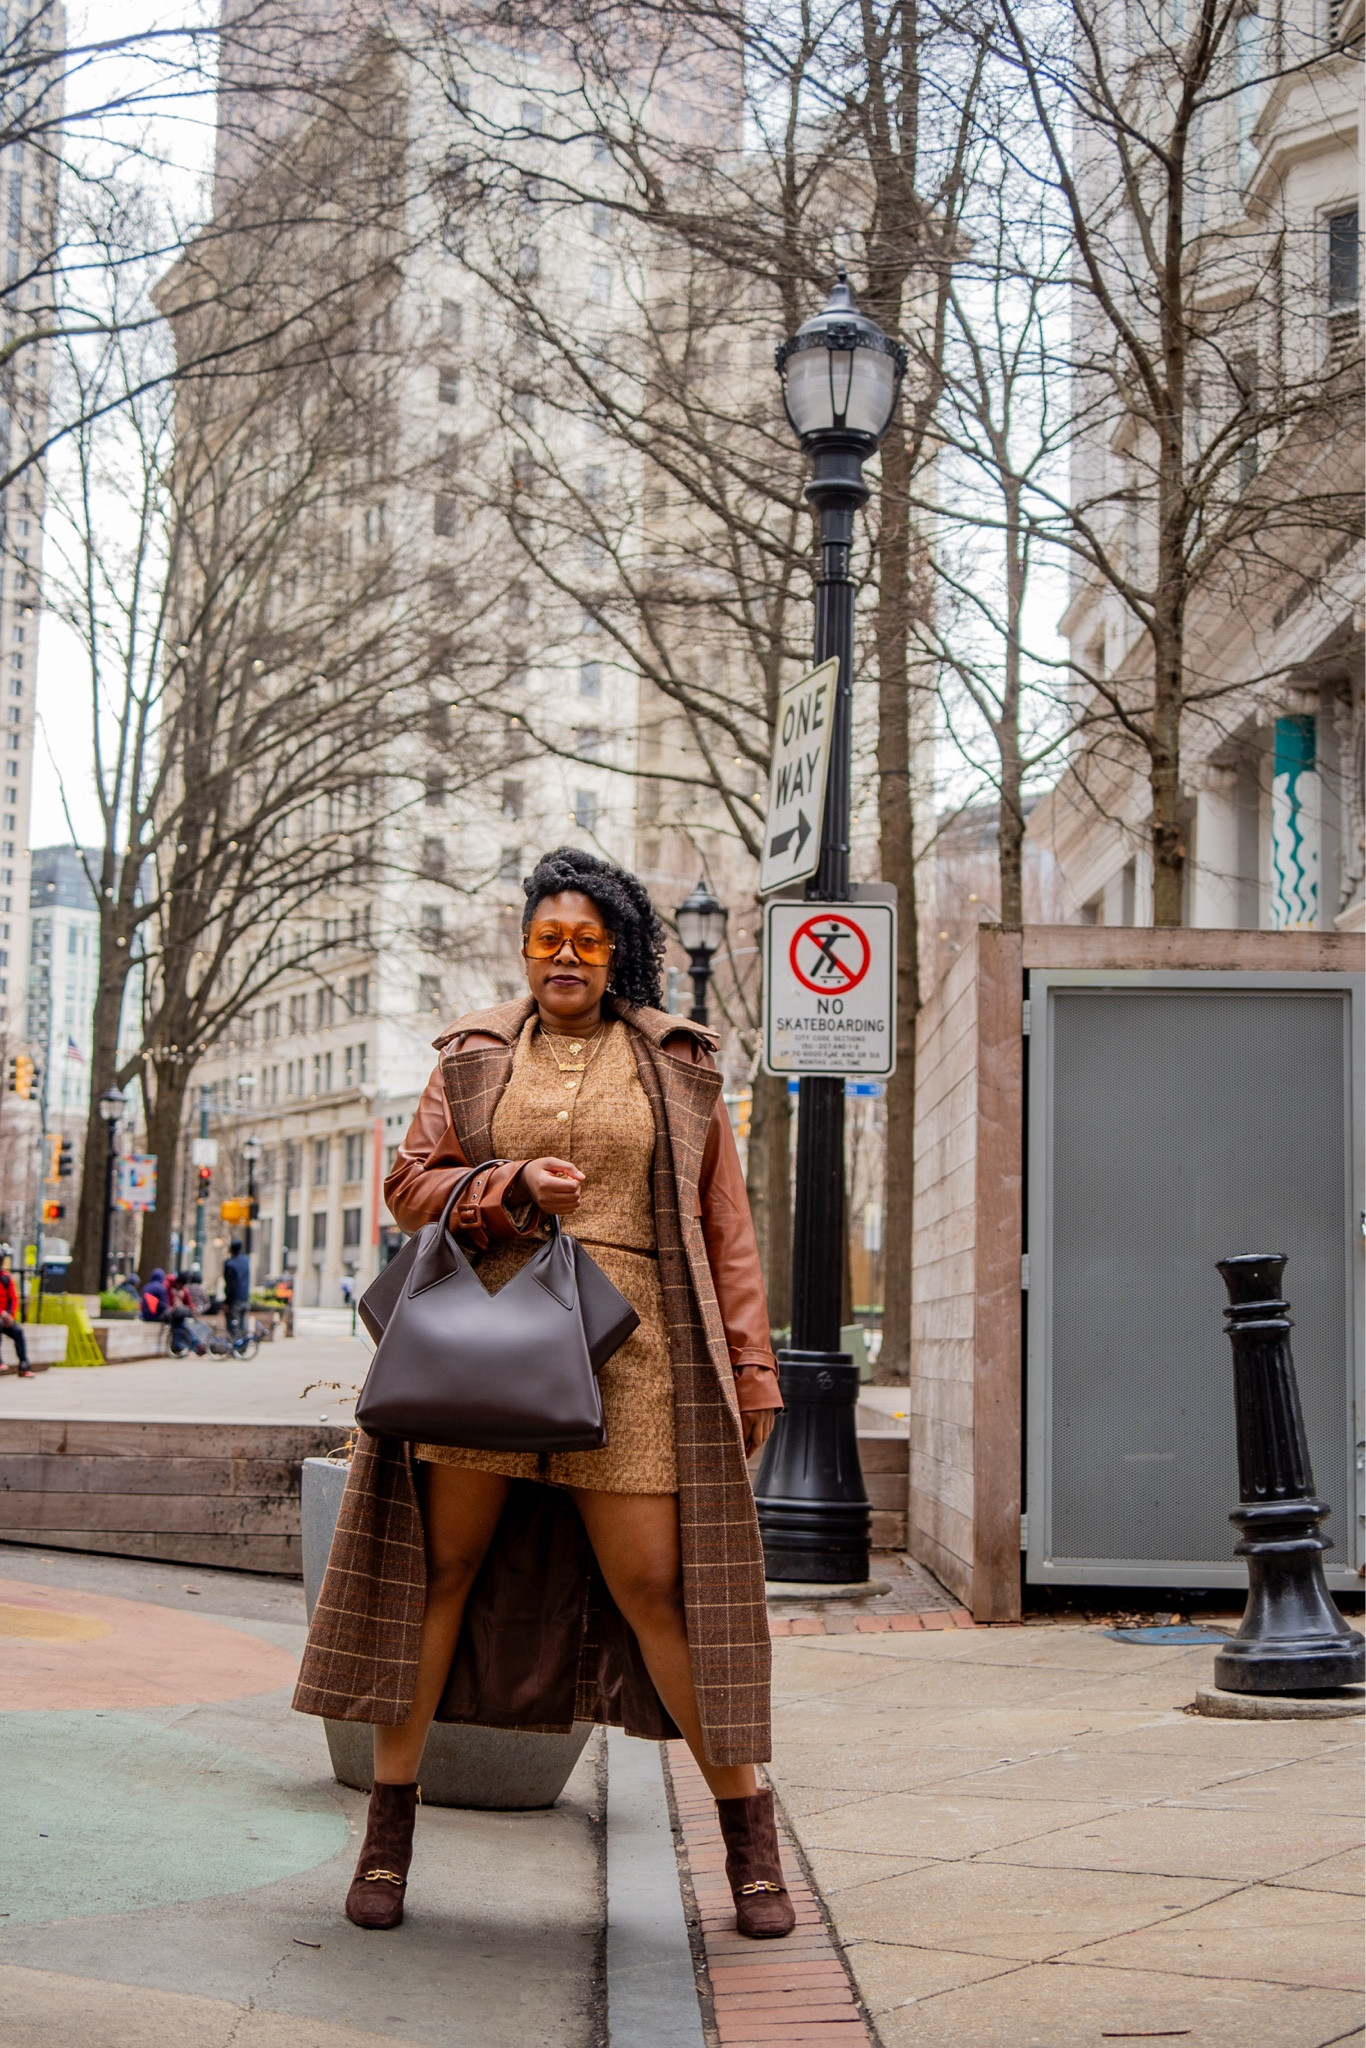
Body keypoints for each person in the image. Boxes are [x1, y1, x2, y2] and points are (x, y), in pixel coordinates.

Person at [296, 848, 793, 1941]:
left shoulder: (675, 1059)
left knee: (660, 1588)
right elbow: (410, 1184)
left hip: (640, 1352)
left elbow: (727, 1225)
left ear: (618, 950)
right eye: (544, 939)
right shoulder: (474, 1056)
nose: (562, 956)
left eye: (585, 939)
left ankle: (748, 1837)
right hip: (485, 1341)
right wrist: (505, 1184)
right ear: (524, 946)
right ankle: (388, 1831)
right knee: (442, 1573)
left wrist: (751, 1363)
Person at [140, 1267, 205, 1356]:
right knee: (180, 1322)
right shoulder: (163, 1287)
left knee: (180, 1321)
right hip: (158, 1316)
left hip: (146, 1315)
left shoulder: (146, 1287)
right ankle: (191, 1345)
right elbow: (165, 1305)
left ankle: (191, 1345)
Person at [0, 1248, 32, 1377]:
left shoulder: (6, 1278)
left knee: (18, 1332)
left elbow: (13, 1299)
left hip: (5, 1318)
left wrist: (10, 1316)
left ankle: (24, 1365)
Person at [223, 1239, 250, 1340]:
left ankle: (234, 1345)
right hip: (245, 1297)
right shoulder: (246, 1261)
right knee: (243, 1324)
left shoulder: (230, 1264)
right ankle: (243, 1347)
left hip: (234, 1300)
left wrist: (227, 1302)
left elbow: (231, 1284)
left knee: (233, 1324)